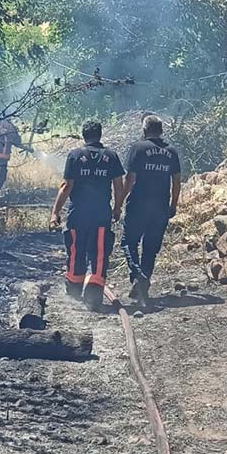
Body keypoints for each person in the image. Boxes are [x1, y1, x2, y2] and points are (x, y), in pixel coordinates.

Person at [50, 120, 126, 311]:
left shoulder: (75, 155)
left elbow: (66, 186)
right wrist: (117, 208)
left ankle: (74, 294)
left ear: (83, 136)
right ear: (100, 135)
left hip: (78, 215)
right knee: (100, 254)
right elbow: (119, 185)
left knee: (76, 252)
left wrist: (55, 213)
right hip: (101, 214)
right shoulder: (111, 156)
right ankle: (94, 298)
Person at [122, 115, 181, 305]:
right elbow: (177, 181)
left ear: (144, 130)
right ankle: (143, 283)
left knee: (128, 242)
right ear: (161, 131)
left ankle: (138, 277)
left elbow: (130, 179)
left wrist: (119, 202)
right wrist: (173, 204)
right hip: (161, 207)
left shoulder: (138, 148)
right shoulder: (171, 152)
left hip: (138, 204)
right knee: (150, 248)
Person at [0, 117, 30, 197]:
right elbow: (17, 142)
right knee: (0, 177)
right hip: (2, 157)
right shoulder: (10, 126)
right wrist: (28, 148)